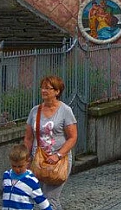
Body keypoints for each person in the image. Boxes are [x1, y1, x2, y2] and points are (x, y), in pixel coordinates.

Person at [23, 75, 77, 210]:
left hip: (59, 161)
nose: (43, 91)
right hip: (38, 161)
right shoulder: (35, 111)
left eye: (48, 88)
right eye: (42, 88)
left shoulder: (65, 111)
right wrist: (26, 158)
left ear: (57, 91)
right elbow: (28, 138)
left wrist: (58, 155)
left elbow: (72, 137)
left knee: (50, 198)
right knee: (40, 198)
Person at [2, 144, 51, 210]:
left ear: (28, 161)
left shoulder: (31, 181)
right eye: (14, 166)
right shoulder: (6, 175)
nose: (17, 169)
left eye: (20, 166)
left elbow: (42, 201)